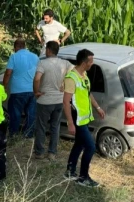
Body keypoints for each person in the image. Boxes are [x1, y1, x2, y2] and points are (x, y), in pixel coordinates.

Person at [62, 49, 105, 187]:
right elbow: (66, 102)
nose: (92, 64)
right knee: (91, 147)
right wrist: (70, 122)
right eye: (90, 61)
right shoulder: (71, 78)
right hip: (77, 119)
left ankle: (70, 171)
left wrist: (97, 107)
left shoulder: (84, 75)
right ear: (83, 62)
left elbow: (88, 93)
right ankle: (83, 177)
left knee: (79, 144)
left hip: (84, 118)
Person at [33, 41, 74, 160]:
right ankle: (52, 153)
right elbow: (75, 73)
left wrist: (36, 92)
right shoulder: (65, 63)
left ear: (49, 50)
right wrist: (65, 85)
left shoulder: (42, 63)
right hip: (59, 100)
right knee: (55, 127)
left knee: (41, 127)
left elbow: (37, 79)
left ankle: (39, 152)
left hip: (45, 100)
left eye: (46, 49)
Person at [3, 38, 39, 138]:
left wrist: (4, 86)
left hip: (17, 91)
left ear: (16, 47)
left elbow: (8, 73)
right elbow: (38, 73)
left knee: (15, 113)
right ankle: (28, 134)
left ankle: (13, 134)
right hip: (31, 90)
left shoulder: (14, 57)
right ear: (24, 46)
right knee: (30, 114)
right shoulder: (35, 57)